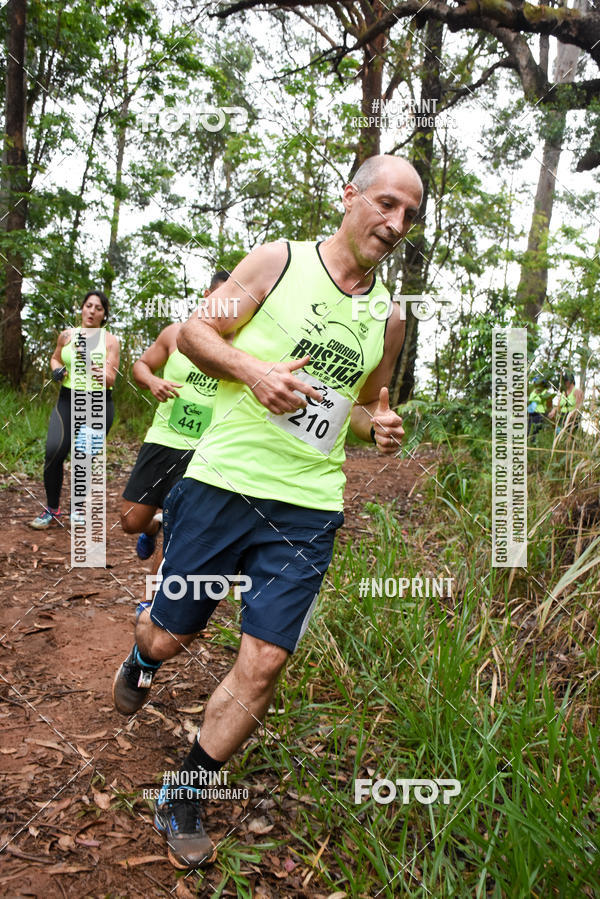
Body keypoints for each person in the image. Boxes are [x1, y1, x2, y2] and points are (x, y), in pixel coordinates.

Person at [112, 154, 423, 869]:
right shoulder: (278, 260)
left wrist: (377, 425)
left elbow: (361, 408)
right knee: (170, 640)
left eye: (409, 214)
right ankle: (141, 651)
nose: (396, 223)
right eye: (385, 203)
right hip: (224, 482)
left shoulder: (390, 317)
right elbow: (194, 332)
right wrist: (253, 373)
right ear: (350, 196)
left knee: (268, 658)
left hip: (311, 502)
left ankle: (185, 790)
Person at [120, 271, 229, 560]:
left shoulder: (239, 346)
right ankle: (150, 528)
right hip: (163, 439)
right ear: (207, 296)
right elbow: (141, 365)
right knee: (130, 521)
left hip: (202, 449)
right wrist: (153, 381)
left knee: (177, 524)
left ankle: (152, 600)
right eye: (221, 299)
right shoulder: (176, 333)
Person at [29, 291, 120, 529]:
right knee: (53, 452)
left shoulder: (110, 341)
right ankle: (52, 509)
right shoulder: (67, 336)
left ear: (104, 314)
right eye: (88, 306)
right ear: (81, 309)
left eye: (98, 308)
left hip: (98, 404)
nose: (92, 311)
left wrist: (96, 369)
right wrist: (56, 370)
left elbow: (111, 379)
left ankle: (78, 508)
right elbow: (55, 359)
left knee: (84, 457)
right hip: (67, 401)